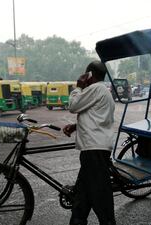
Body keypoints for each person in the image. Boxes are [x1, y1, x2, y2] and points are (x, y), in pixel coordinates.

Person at [63, 60, 116, 225]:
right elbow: (97, 120)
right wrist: (76, 126)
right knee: (83, 193)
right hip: (94, 149)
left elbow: (73, 105)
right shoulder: (103, 91)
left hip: (94, 150)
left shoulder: (95, 88)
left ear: (90, 75)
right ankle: (77, 220)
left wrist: (78, 86)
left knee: (100, 195)